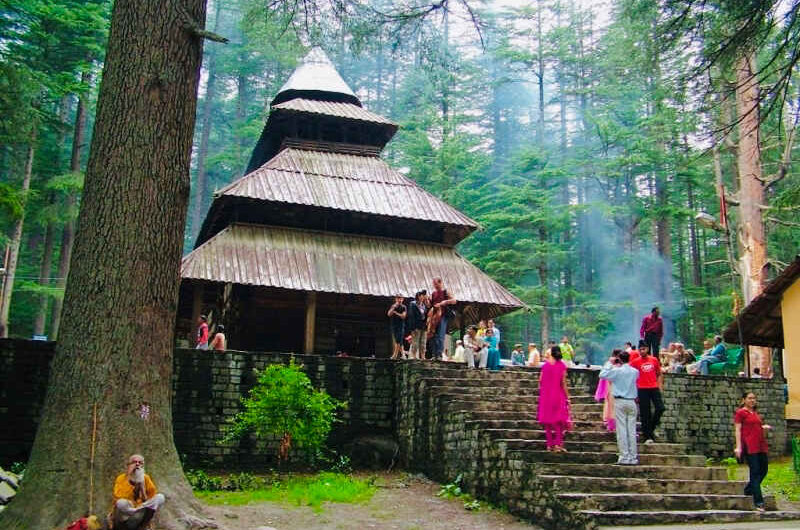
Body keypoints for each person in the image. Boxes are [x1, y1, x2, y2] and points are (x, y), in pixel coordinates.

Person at [599, 351, 640, 465]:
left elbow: (602, 374)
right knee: (631, 430)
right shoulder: (635, 372)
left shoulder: (616, 371)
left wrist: (609, 363)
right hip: (631, 401)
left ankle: (624, 456)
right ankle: (633, 457)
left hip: (620, 401)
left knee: (621, 429)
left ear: (619, 360)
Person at [734, 392, 772, 511]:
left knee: (764, 469)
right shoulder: (741, 413)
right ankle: (758, 502)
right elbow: (738, 430)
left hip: (761, 445)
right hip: (750, 446)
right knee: (755, 472)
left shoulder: (755, 414)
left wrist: (764, 428)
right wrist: (739, 447)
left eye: (754, 398)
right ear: (744, 400)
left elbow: (757, 428)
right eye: (749, 398)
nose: (752, 400)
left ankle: (749, 489)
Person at [111, 454, 166, 530]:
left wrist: (142, 486)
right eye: (134, 462)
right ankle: (135, 513)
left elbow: (150, 499)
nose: (137, 464)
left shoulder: (146, 478)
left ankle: (140, 518)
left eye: (140, 463)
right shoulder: (121, 478)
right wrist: (129, 479)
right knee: (121, 503)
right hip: (126, 513)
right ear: (128, 465)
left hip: (141, 511)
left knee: (160, 497)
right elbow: (119, 498)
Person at [537, 346, 571, 452]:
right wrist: (568, 397)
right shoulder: (562, 366)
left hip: (545, 396)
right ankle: (558, 444)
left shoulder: (545, 366)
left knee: (547, 421)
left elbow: (540, 380)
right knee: (559, 421)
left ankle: (549, 445)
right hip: (558, 395)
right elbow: (563, 383)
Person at [630, 343, 665, 444]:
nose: (642, 351)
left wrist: (660, 386)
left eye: (644, 349)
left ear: (648, 349)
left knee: (660, 408)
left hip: (654, 387)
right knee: (645, 413)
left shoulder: (654, 360)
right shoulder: (635, 362)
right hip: (642, 389)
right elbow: (631, 378)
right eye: (640, 350)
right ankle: (647, 436)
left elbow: (659, 374)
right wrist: (634, 393)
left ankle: (651, 428)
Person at [429, 278, 457, 360]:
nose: (434, 285)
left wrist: (444, 302)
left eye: (436, 284)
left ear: (440, 283)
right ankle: (434, 355)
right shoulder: (433, 293)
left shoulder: (445, 292)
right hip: (434, 317)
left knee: (440, 336)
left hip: (443, 316)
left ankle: (439, 354)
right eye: (433, 284)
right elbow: (431, 304)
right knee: (433, 335)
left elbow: (454, 300)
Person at [406, 290, 428, 360]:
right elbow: (411, 316)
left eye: (423, 295)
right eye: (421, 295)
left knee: (423, 342)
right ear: (418, 296)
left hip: (423, 327)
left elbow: (426, 316)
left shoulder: (424, 305)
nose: (423, 297)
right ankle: (414, 355)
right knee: (415, 341)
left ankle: (423, 356)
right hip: (416, 326)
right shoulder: (413, 304)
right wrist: (413, 328)